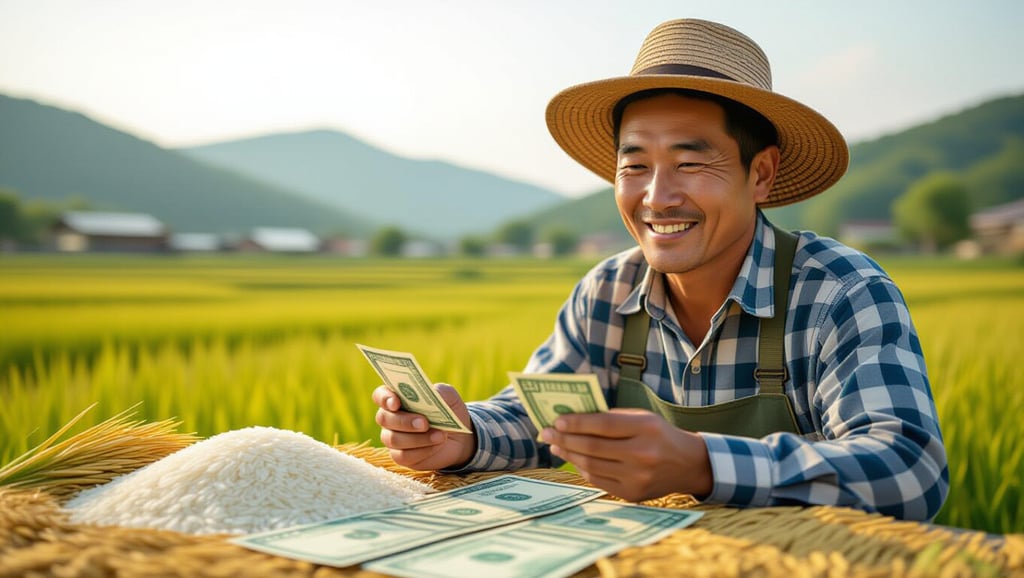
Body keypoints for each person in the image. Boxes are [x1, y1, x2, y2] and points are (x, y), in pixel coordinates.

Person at [372, 18, 948, 521]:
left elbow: (909, 468)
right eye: (636, 165)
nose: (657, 196)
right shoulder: (608, 290)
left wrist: (699, 463)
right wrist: (464, 434)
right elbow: (547, 419)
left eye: (691, 162)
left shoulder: (839, 292)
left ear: (762, 174)